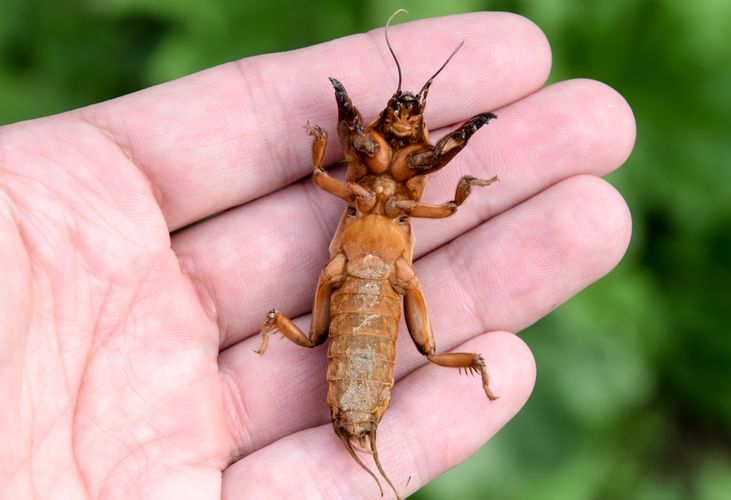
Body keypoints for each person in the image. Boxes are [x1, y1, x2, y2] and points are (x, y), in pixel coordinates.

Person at [0, 12, 634, 499]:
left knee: (427, 346)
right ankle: (309, 350)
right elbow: (334, 176)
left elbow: (442, 203)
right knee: (324, 335)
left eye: (416, 120)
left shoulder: (396, 175)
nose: (407, 121)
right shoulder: (368, 171)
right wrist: (334, 133)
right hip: (367, 281)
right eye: (398, 116)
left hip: (384, 290)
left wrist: (463, 161)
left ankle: (420, 380)